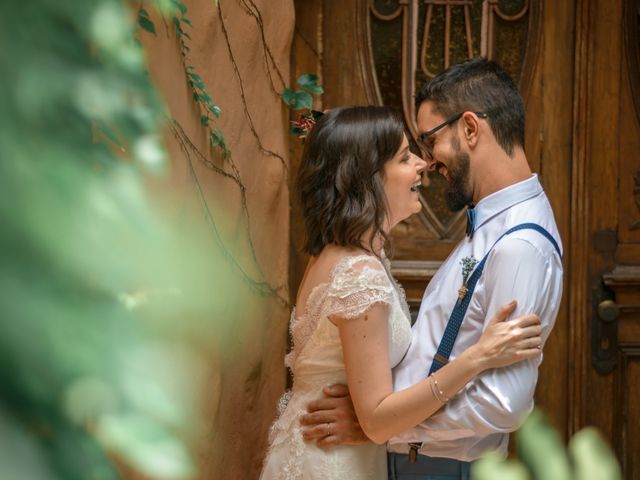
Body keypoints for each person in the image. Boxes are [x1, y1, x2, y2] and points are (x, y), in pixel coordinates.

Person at [299, 58, 564, 480]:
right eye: (410, 153)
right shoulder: (490, 224)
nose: (427, 162)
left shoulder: (519, 244)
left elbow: (504, 401)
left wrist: (380, 427)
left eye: (428, 141)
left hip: (439, 462)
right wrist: (379, 419)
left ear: (471, 129)